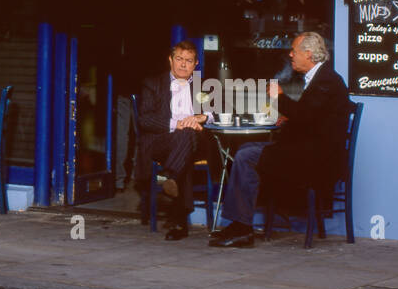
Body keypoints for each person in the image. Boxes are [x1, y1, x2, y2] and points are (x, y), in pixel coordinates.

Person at [209, 32, 351, 249]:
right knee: (246, 148)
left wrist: (279, 97)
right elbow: (312, 118)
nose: (290, 55)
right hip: (308, 151)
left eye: (294, 51)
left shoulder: (327, 81)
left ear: (309, 54)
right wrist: (288, 119)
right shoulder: (322, 78)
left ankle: (242, 228)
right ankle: (239, 224)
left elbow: (307, 117)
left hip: (315, 160)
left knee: (246, 156)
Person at [133, 40, 209, 240]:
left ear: (196, 64)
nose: (183, 64)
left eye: (189, 61)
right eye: (179, 59)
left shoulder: (204, 85)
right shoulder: (153, 83)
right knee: (184, 141)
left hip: (195, 142)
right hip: (162, 141)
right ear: (170, 60)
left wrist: (203, 117)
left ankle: (169, 178)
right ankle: (178, 217)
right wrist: (177, 124)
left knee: (187, 137)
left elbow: (221, 112)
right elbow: (145, 119)